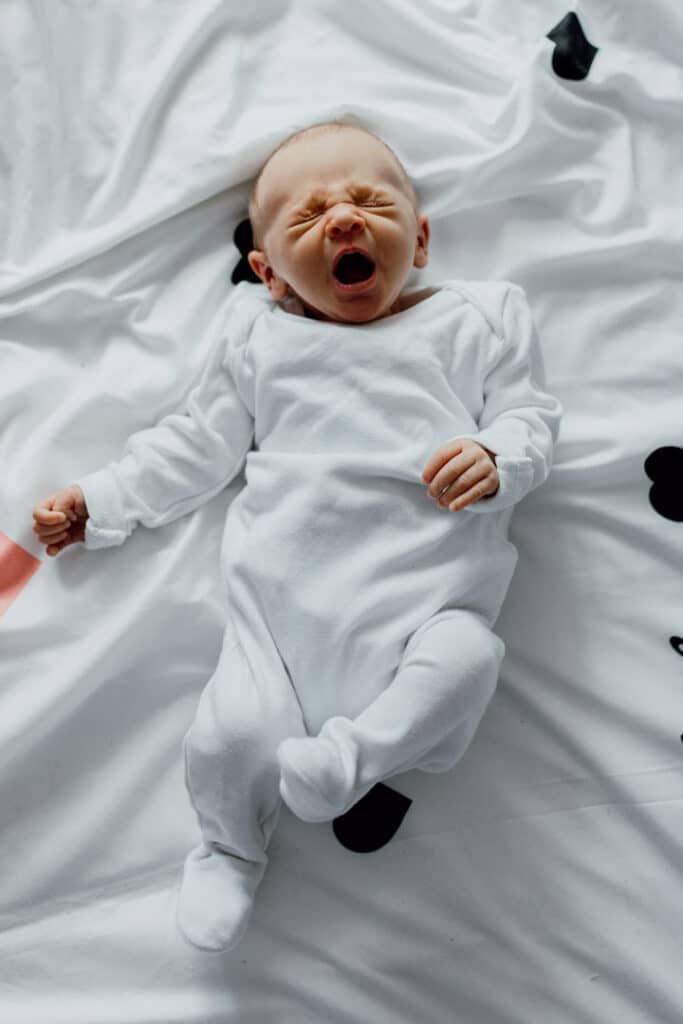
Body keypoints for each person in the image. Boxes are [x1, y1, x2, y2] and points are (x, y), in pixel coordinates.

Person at [31, 120, 562, 953]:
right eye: (310, 217)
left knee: (465, 660)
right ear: (268, 272)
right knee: (225, 737)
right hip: (278, 630)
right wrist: (100, 502)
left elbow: (531, 416)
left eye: (369, 202)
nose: (345, 221)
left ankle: (352, 762)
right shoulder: (258, 335)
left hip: (424, 610)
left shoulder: (480, 318)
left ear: (419, 238)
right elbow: (194, 444)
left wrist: (497, 454)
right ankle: (228, 848)